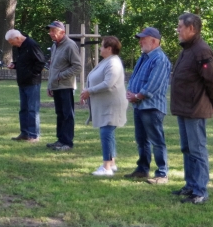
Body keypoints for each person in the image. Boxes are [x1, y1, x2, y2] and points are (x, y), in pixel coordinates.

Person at [170, 13, 213, 204]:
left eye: (180, 26)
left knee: (197, 149)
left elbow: (212, 81)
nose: (178, 30)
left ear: (192, 28)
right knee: (187, 148)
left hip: (195, 108)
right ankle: (190, 185)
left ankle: (200, 191)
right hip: (184, 108)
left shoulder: (201, 51)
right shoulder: (187, 49)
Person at [124, 27, 171, 183]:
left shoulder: (160, 59)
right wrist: (132, 94)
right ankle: (143, 169)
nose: (140, 41)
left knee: (157, 141)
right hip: (140, 106)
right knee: (142, 140)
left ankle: (162, 174)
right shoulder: (144, 57)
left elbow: (153, 85)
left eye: (143, 38)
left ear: (154, 40)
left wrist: (137, 95)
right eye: (140, 38)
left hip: (151, 107)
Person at [81, 36, 127, 175]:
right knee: (108, 132)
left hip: (112, 105)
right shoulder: (107, 61)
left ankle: (106, 168)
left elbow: (108, 83)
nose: (100, 48)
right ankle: (111, 163)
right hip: (106, 104)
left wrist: (90, 91)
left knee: (106, 133)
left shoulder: (113, 63)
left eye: (102, 46)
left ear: (109, 48)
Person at [46, 21, 82, 151]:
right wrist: (50, 85)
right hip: (56, 86)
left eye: (53, 31)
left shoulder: (70, 45)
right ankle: (60, 140)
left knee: (67, 114)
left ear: (62, 32)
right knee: (60, 113)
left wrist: (62, 76)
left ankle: (67, 142)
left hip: (66, 86)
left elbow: (78, 66)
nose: (51, 34)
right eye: (50, 31)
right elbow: (53, 67)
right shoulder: (55, 46)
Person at [6, 29, 46, 142]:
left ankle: (34, 135)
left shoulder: (32, 45)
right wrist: (15, 65)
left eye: (11, 42)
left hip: (32, 83)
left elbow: (41, 61)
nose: (11, 44)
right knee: (23, 109)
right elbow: (24, 62)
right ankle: (24, 133)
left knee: (32, 109)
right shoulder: (19, 47)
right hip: (22, 82)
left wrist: (32, 74)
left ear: (17, 38)